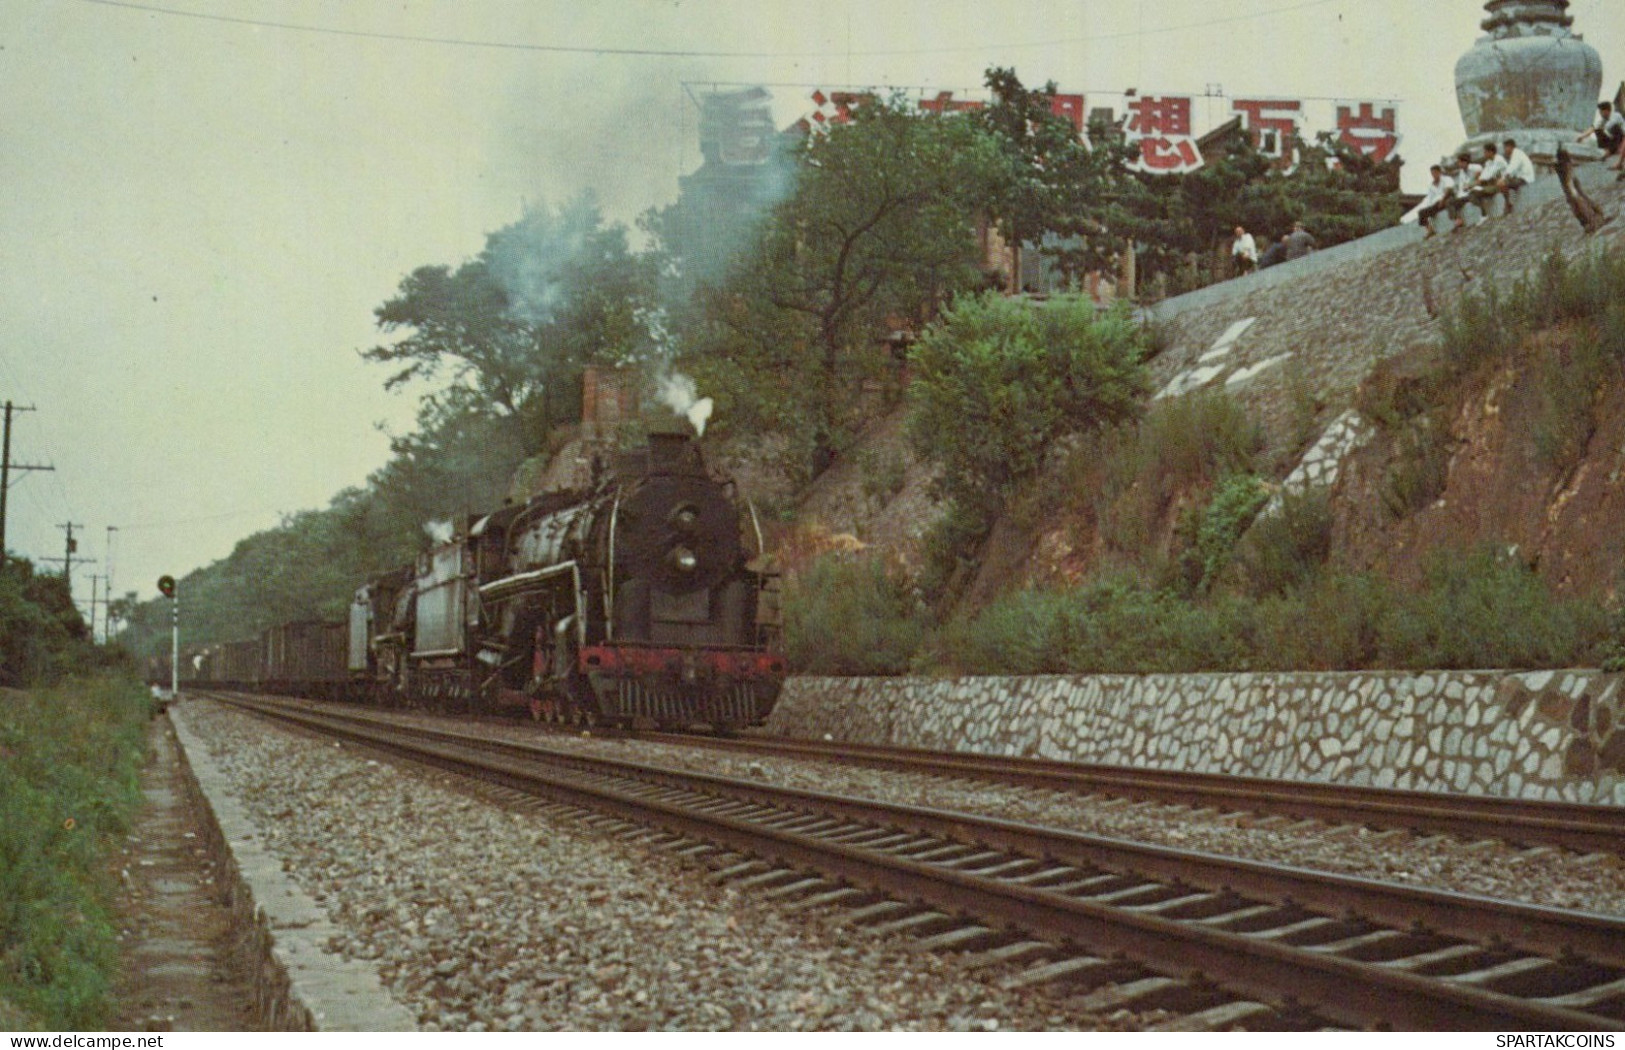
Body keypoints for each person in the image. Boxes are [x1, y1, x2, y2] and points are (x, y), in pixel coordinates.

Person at [1577, 100, 1625, 174]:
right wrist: (1581, 137)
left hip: (1621, 137)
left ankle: (1615, 158)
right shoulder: (1603, 119)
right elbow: (1593, 128)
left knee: (1615, 128)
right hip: (1613, 139)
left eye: (1601, 111)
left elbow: (1620, 132)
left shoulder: (1616, 116)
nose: (1600, 113)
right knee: (1597, 130)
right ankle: (1608, 151)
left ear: (1606, 111)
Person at [1467, 142, 1509, 216]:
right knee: (1472, 194)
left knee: (1475, 190)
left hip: (1503, 182)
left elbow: (1489, 175)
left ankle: (1507, 205)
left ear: (1491, 152)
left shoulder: (1499, 160)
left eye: (1485, 152)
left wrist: (1475, 183)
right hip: (1492, 183)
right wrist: (1474, 183)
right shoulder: (1488, 162)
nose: (1484, 154)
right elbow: (1483, 175)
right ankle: (1483, 213)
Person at [1414, 163, 1456, 237]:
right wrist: (1430, 207)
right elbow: (1430, 198)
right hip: (1436, 204)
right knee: (1421, 212)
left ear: (1439, 172)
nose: (1434, 175)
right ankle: (1430, 230)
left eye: (1435, 173)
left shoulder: (1446, 179)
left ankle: (1457, 222)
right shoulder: (1431, 185)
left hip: (1447, 198)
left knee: (1449, 202)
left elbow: (1449, 189)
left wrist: (1443, 199)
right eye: (1432, 173)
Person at [1450, 151, 1482, 230]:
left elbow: (1480, 181)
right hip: (1466, 193)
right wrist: (1459, 196)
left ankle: (1483, 215)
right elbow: (1462, 186)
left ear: (1464, 162)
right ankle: (1458, 220)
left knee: (1473, 195)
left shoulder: (1476, 167)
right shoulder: (1461, 172)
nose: (1458, 164)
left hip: (1476, 189)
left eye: (1459, 162)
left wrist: (1470, 186)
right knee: (1451, 202)